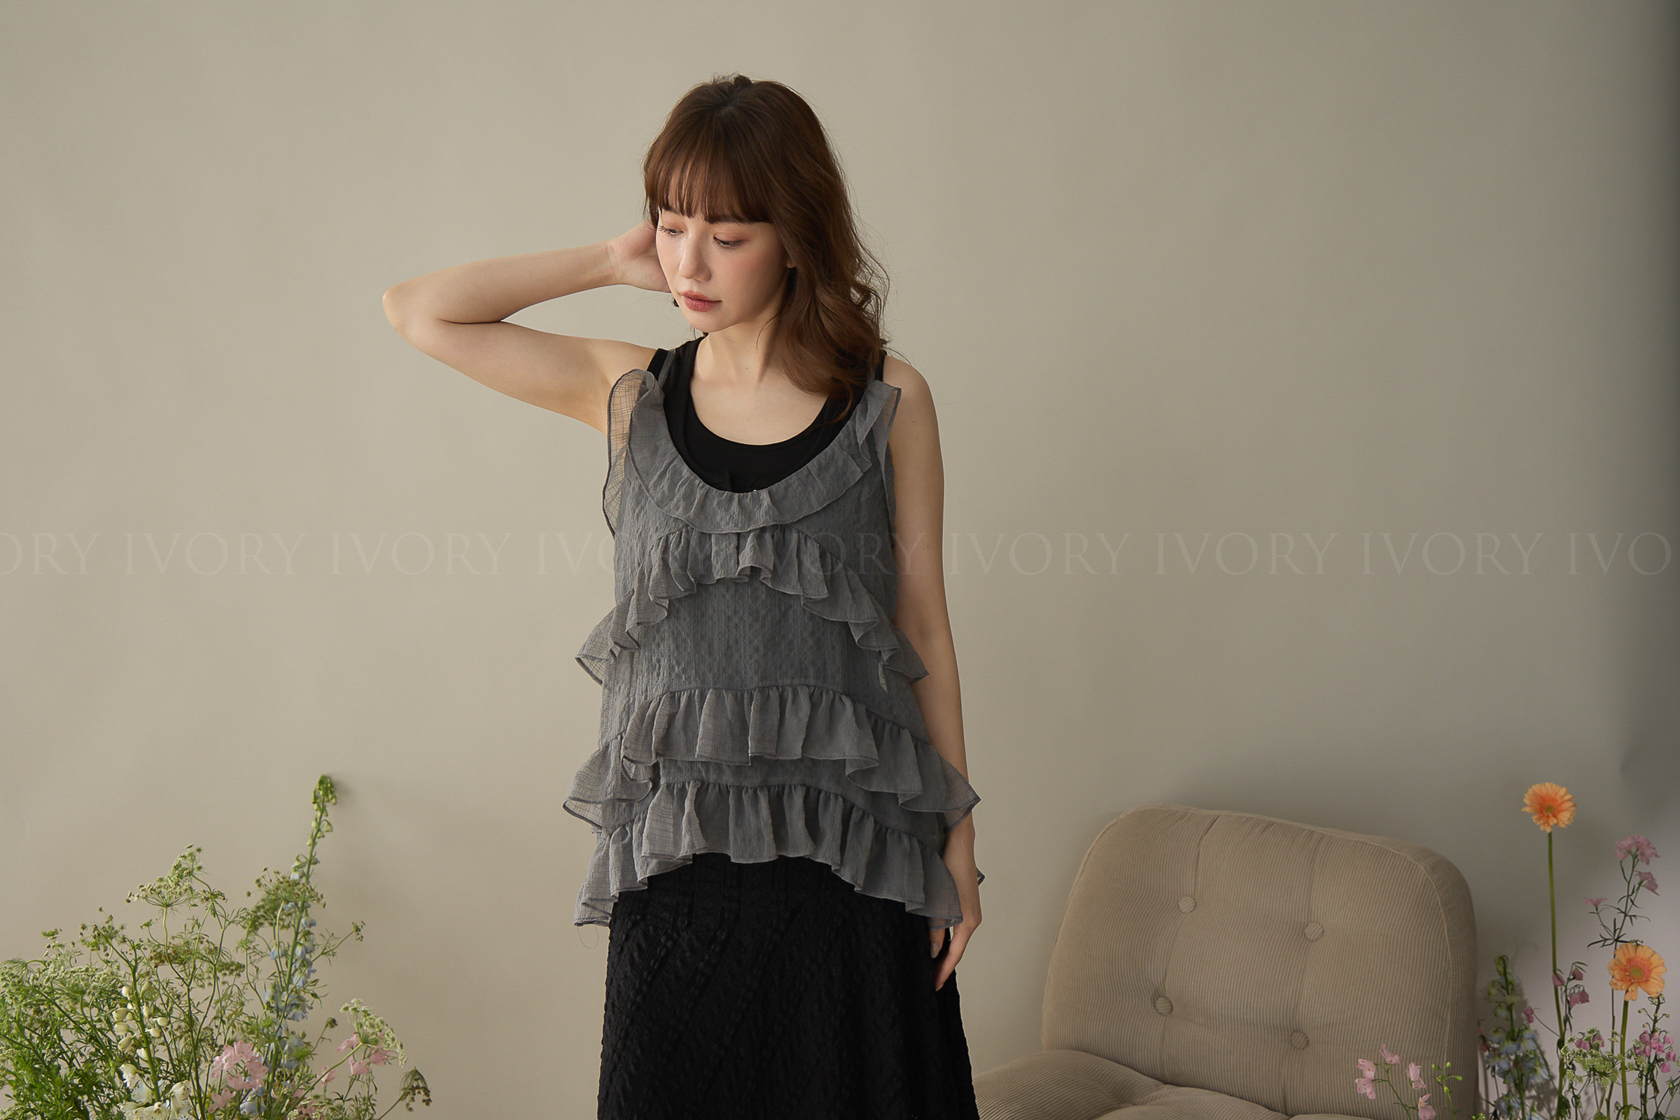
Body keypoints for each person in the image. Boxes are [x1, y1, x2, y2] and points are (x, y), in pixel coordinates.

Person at [383, 74, 982, 1119]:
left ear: (796, 237)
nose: (689, 263)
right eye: (671, 226)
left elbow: (922, 622)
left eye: (727, 235)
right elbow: (420, 310)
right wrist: (608, 260)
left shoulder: (891, 401)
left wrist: (960, 845)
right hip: (678, 870)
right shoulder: (633, 395)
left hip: (851, 860)